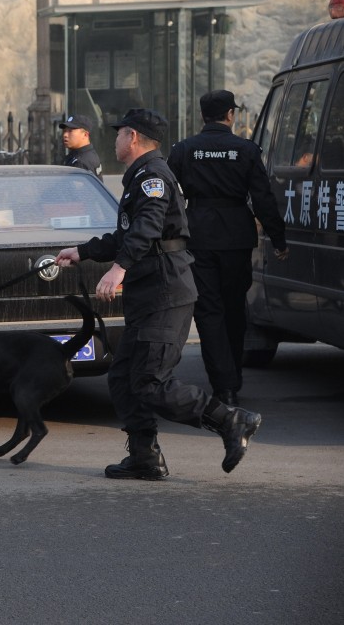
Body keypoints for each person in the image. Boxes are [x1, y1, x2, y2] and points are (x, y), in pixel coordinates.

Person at [55, 108, 262, 480]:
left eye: (119, 133)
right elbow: (127, 235)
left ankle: (231, 420)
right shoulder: (140, 175)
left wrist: (119, 268)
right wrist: (83, 252)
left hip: (166, 293)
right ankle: (144, 456)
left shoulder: (153, 177)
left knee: (152, 381)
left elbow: (148, 228)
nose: (114, 139)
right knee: (122, 377)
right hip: (150, 293)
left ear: (132, 137)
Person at [167, 90, 288, 406]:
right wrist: (278, 239)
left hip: (199, 235)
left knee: (208, 310)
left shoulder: (184, 150)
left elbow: (167, 195)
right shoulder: (245, 149)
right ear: (230, 115)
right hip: (236, 236)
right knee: (234, 307)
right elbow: (263, 198)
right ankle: (232, 375)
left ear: (203, 115)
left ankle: (223, 385)